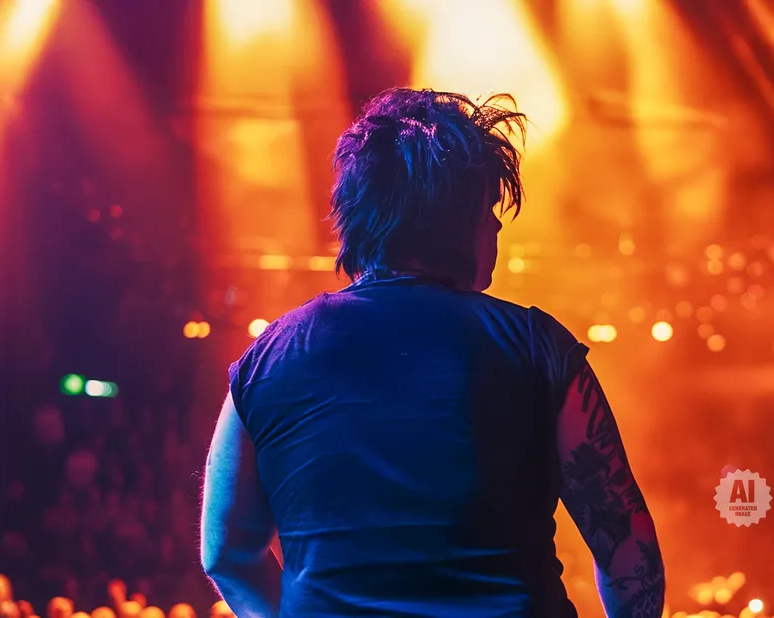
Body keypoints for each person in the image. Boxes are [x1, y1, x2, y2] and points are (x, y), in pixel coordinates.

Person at [200, 88, 664, 617]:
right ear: (449, 218)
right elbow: (631, 555)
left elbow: (226, 555)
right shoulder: (537, 348)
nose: (495, 226)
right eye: (487, 207)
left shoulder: (270, 359)